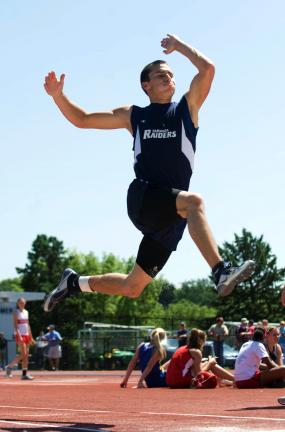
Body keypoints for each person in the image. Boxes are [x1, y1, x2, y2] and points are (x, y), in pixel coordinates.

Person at [43, 33, 255, 313]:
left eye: (170, 74)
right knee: (195, 202)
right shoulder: (135, 115)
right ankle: (220, 270)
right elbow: (82, 120)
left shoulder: (186, 109)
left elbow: (208, 69)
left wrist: (179, 47)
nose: (169, 78)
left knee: (133, 287)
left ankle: (73, 283)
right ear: (147, 86)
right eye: (160, 76)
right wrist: (59, 96)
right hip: (145, 198)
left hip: (173, 214)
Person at [166, 328, 234, 388]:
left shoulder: (182, 348)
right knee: (211, 364)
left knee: (205, 363)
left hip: (170, 381)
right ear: (200, 341)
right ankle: (235, 379)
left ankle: (224, 381)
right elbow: (199, 374)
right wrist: (210, 363)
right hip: (179, 382)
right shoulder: (196, 352)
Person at [5, 297, 35, 380]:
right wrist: (19, 336)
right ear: (18, 303)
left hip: (27, 335)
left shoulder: (26, 312)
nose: (22, 304)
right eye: (21, 303)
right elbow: (15, 326)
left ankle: (24, 374)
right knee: (23, 354)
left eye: (23, 303)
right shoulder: (16, 312)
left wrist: (31, 337)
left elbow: (28, 325)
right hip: (20, 335)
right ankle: (9, 367)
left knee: (26, 355)